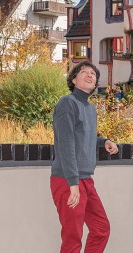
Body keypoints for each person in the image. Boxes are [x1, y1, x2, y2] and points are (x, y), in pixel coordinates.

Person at [50, 61, 119, 253]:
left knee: (101, 229)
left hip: (86, 180)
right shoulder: (67, 103)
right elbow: (66, 142)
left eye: (93, 74)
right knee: (73, 238)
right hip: (67, 179)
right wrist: (73, 183)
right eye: (84, 72)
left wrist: (104, 141)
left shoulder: (90, 108)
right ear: (74, 79)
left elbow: (84, 135)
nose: (90, 75)